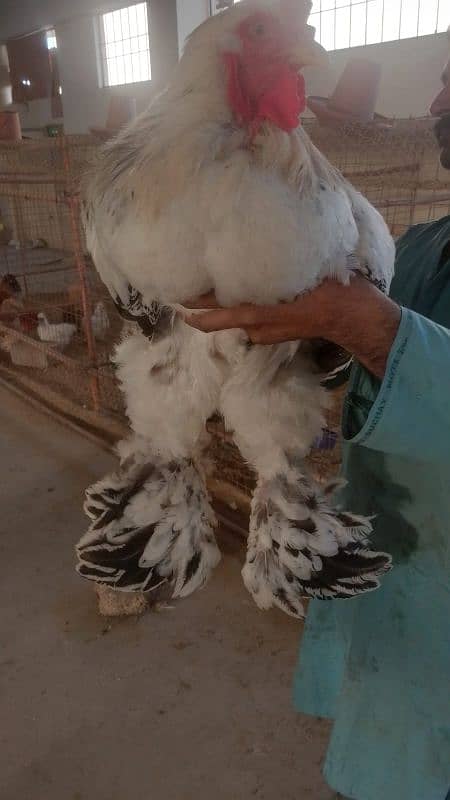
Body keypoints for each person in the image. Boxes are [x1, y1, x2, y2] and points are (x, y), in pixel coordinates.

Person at [185, 60, 450, 800]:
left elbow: (376, 336)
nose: (436, 99)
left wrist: (362, 325)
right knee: (387, 757)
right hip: (391, 565)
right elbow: (355, 372)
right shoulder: (424, 241)